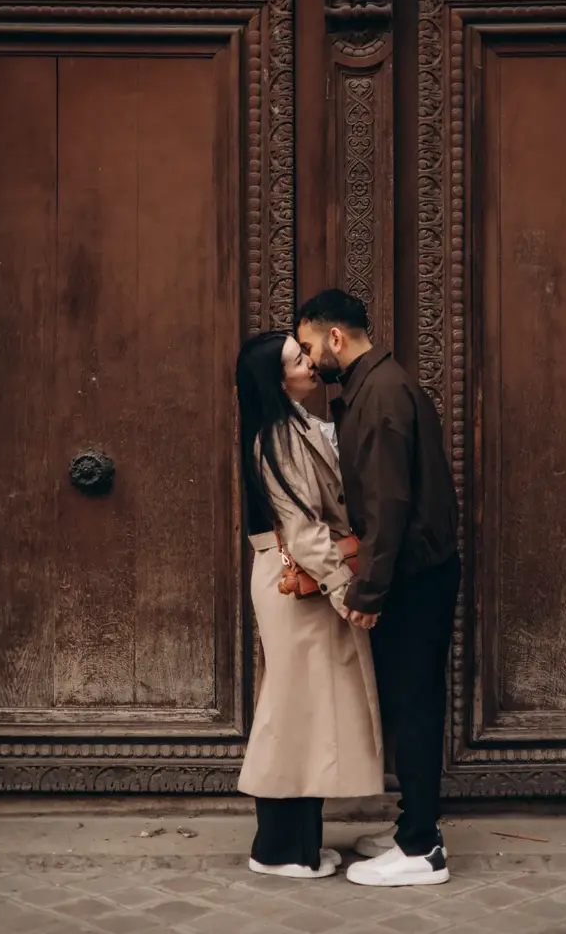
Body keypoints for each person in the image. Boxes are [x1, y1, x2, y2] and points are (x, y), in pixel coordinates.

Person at [296, 289, 460, 888]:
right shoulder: (375, 387)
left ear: (335, 337)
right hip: (416, 572)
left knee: (413, 707)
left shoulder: (381, 394)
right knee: (408, 702)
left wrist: (367, 593)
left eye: (311, 346)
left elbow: (388, 508)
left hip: (413, 579)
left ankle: (421, 851)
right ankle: (416, 825)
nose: (310, 362)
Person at [235, 330, 384, 880]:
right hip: (295, 586)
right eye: (300, 360)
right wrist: (350, 593)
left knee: (303, 711)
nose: (312, 363)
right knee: (292, 712)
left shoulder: (293, 425)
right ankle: (277, 848)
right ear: (278, 381)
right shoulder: (277, 436)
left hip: (299, 585)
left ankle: (295, 843)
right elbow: (302, 530)